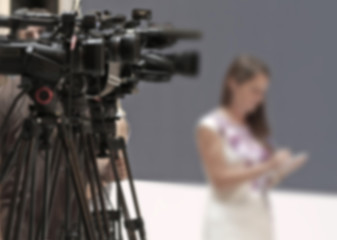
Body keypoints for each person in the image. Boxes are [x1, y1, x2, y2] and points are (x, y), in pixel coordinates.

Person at [0, 8, 129, 240]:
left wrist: (105, 172)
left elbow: (95, 175)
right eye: (28, 36)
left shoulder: (82, 100)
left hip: (69, 224)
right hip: (15, 227)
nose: (36, 40)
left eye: (42, 33)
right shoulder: (7, 97)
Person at [196, 55, 308, 240]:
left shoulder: (254, 129)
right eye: (254, 91)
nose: (259, 99)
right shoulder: (211, 126)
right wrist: (268, 166)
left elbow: (257, 183)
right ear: (233, 84)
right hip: (228, 223)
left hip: (257, 219)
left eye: (263, 92)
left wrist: (278, 171)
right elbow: (219, 178)